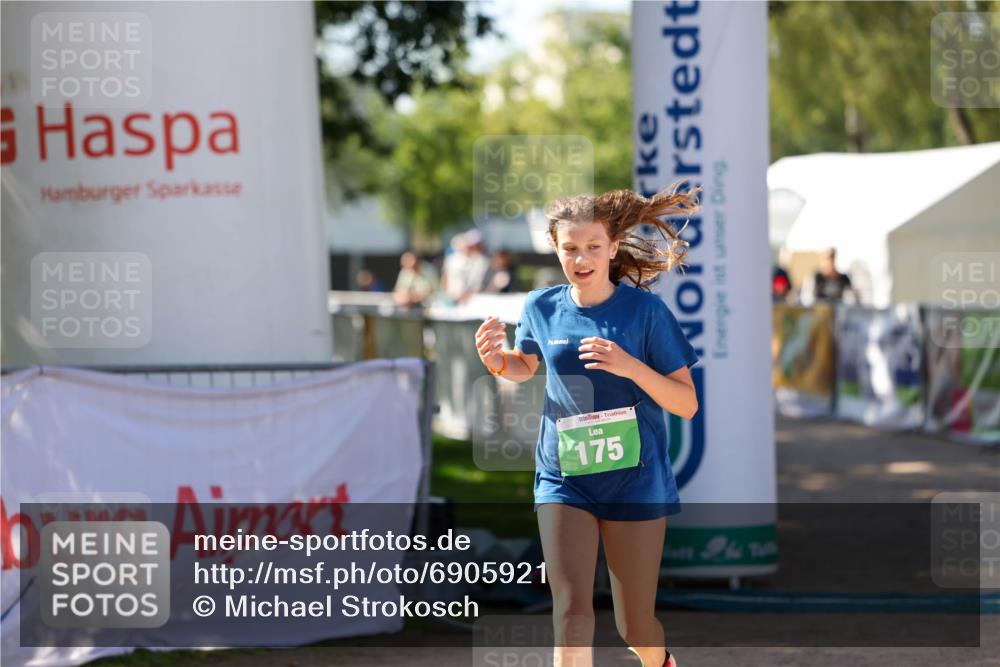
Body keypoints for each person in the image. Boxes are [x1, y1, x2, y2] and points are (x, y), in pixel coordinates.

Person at [474, 184, 700, 667]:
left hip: (634, 482)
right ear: (555, 249)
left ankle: (660, 661)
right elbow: (525, 366)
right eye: (570, 248)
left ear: (613, 248)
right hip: (563, 478)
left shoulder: (646, 313)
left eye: (593, 247)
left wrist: (630, 367)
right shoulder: (541, 306)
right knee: (572, 614)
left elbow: (686, 404)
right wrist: (497, 361)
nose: (582, 258)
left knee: (634, 626)